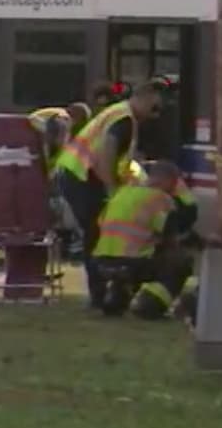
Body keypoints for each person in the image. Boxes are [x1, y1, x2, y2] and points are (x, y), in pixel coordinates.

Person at [55, 79, 163, 309]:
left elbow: (118, 160)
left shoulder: (121, 114)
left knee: (95, 233)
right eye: (154, 108)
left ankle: (102, 293)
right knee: (96, 234)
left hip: (78, 174)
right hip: (81, 176)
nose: (155, 116)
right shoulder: (124, 120)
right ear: (143, 97)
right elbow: (106, 157)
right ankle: (99, 295)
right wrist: (114, 193)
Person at [91, 160, 192, 319]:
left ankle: (116, 300)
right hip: (133, 262)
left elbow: (101, 223)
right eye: (174, 183)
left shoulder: (122, 193)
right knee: (180, 260)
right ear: (167, 181)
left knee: (136, 258)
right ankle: (151, 306)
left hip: (101, 261)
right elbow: (171, 237)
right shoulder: (161, 198)